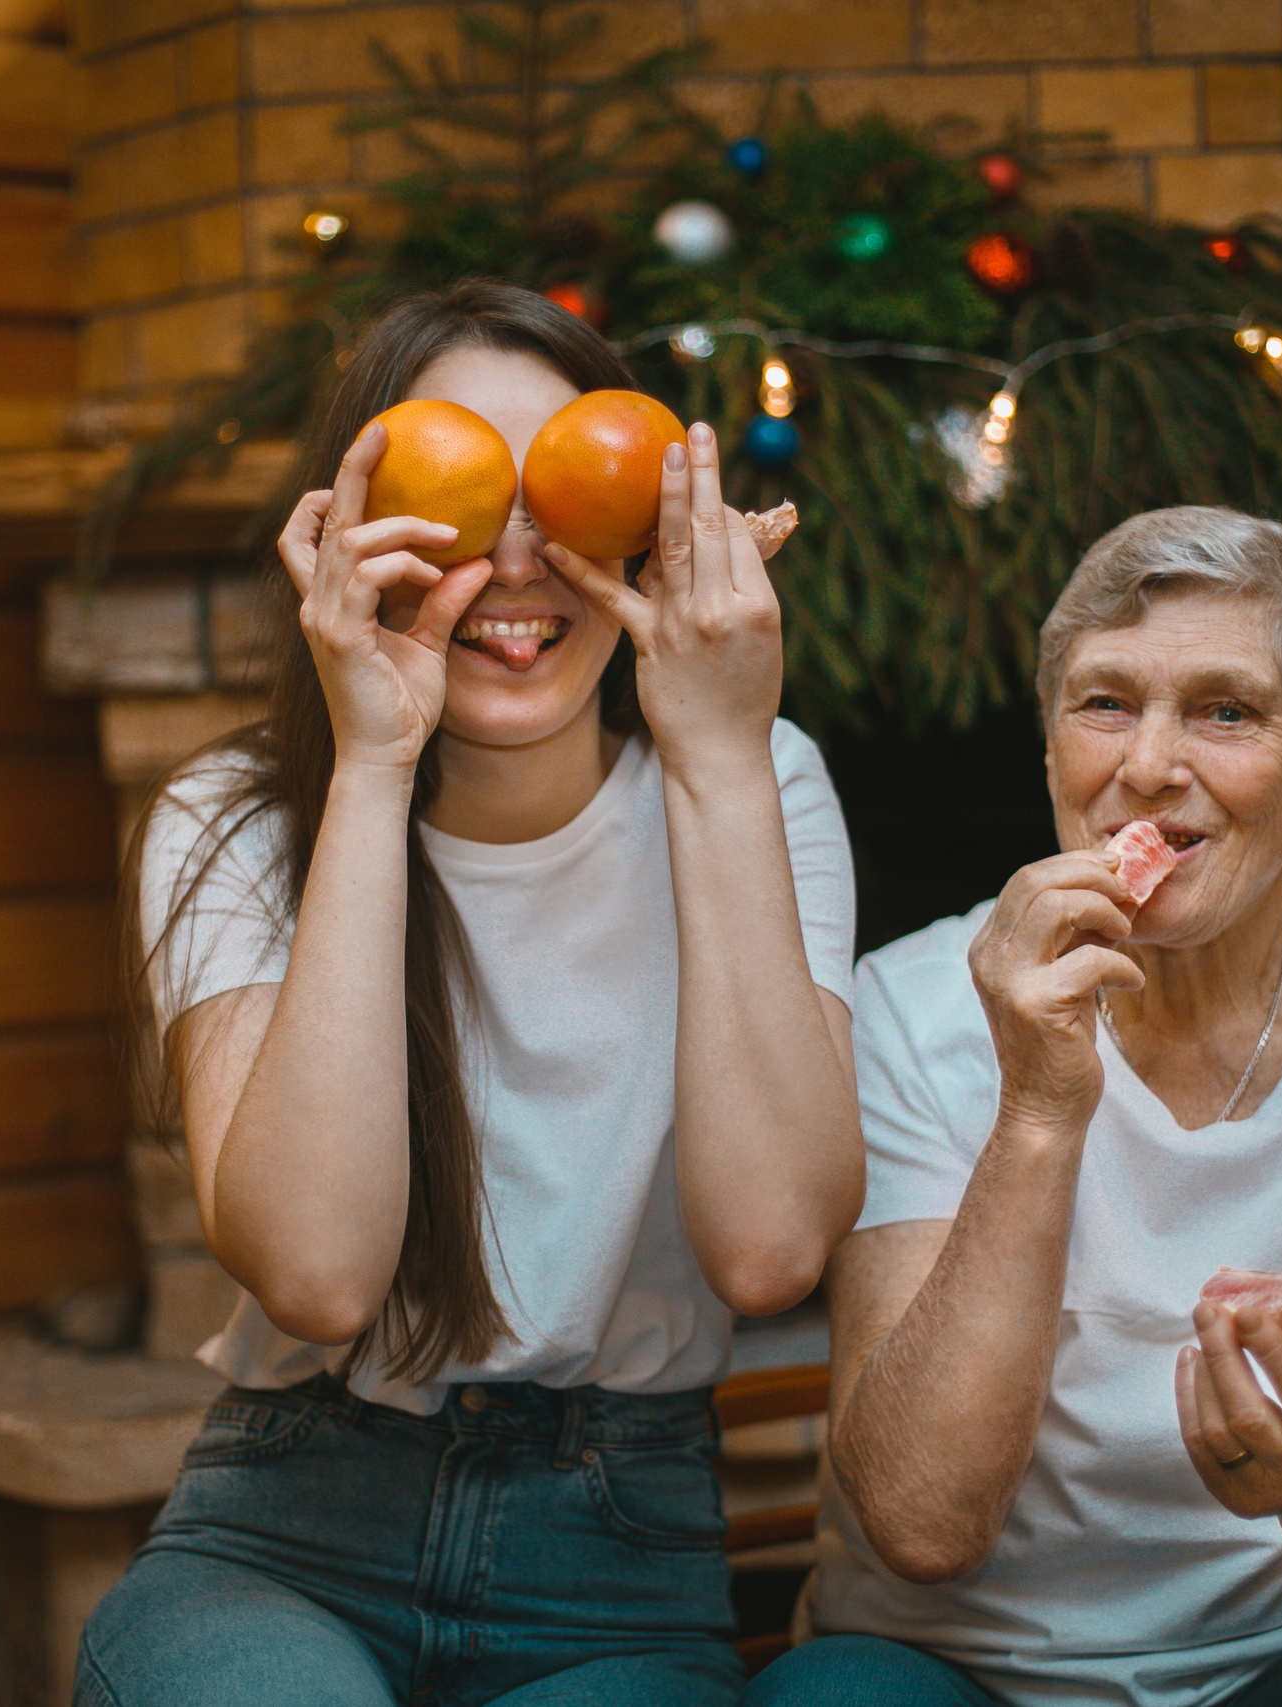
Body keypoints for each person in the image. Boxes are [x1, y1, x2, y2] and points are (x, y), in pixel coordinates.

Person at [75, 281, 865, 1707]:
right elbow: (316, 1272)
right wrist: (374, 765)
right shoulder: (235, 819)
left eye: (562, 491)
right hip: (289, 1526)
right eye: (457, 494)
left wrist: (720, 758)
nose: (513, 559)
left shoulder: (756, 776)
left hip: (615, 1563)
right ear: (351, 526)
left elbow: (771, 1248)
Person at [751, 507, 1282, 1707]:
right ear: (1045, 749)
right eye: (1104, 704)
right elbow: (923, 1525)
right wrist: (1037, 1106)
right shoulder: (906, 1007)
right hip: (938, 1669)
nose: (1147, 767)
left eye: (1226, 712)